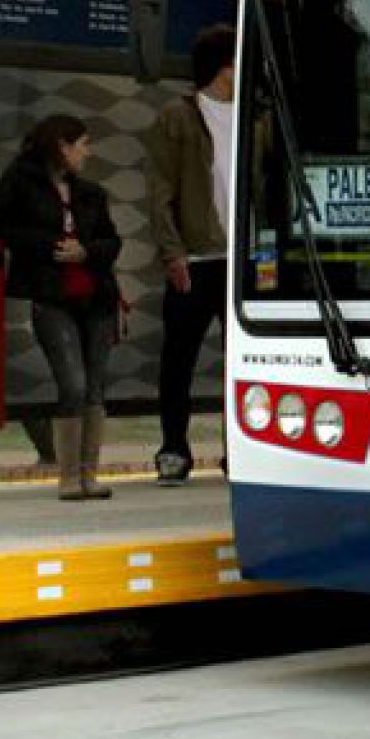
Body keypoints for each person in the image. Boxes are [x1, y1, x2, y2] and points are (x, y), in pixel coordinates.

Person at [0, 114, 122, 501]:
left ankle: (88, 475)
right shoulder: (20, 180)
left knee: (95, 384)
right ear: (63, 146)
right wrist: (48, 246)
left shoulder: (91, 193)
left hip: (96, 297)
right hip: (50, 295)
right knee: (73, 382)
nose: (87, 151)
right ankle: (67, 475)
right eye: (82, 143)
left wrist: (86, 251)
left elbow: (112, 242)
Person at [145, 24, 237, 485]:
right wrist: (171, 252)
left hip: (243, 261)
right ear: (224, 68)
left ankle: (236, 448)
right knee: (178, 357)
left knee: (242, 361)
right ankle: (174, 448)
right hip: (194, 258)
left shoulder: (253, 117)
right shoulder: (177, 118)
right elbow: (160, 190)